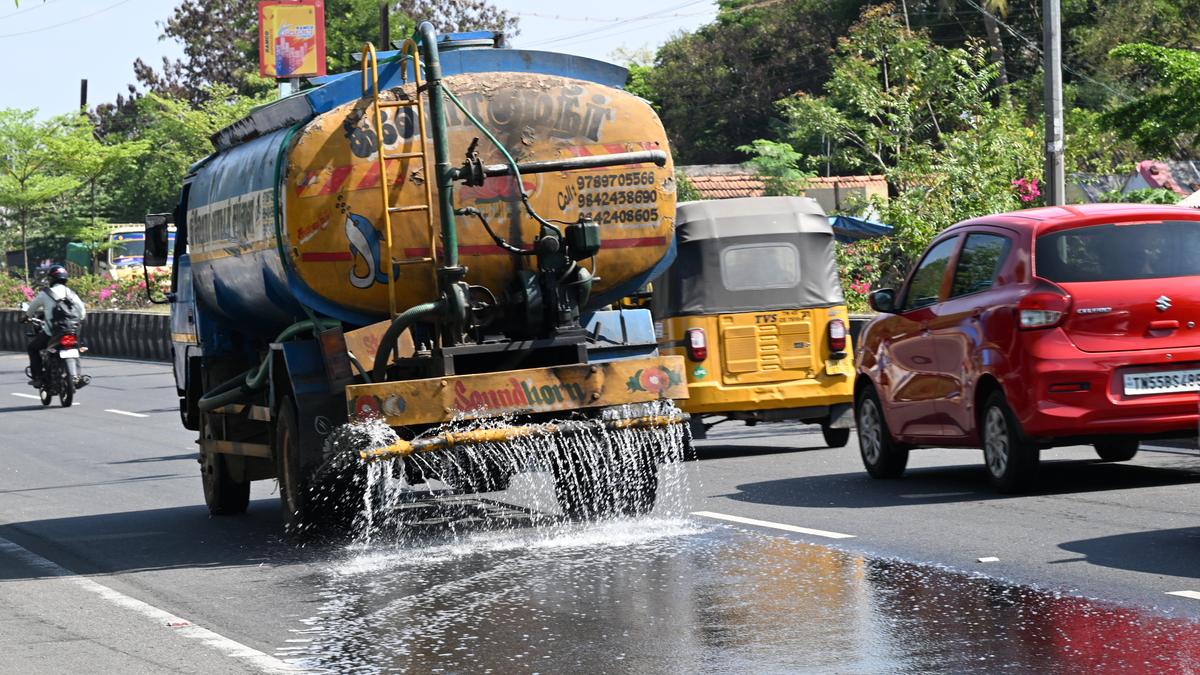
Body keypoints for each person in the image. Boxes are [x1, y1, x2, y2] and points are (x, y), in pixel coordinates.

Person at [24, 264, 86, 387]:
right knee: (74, 348)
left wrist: (26, 317)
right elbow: (82, 313)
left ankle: (37, 377)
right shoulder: (72, 294)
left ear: (51, 279)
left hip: (51, 332)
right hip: (71, 331)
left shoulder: (45, 293)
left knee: (32, 348)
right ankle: (77, 377)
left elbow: (32, 309)